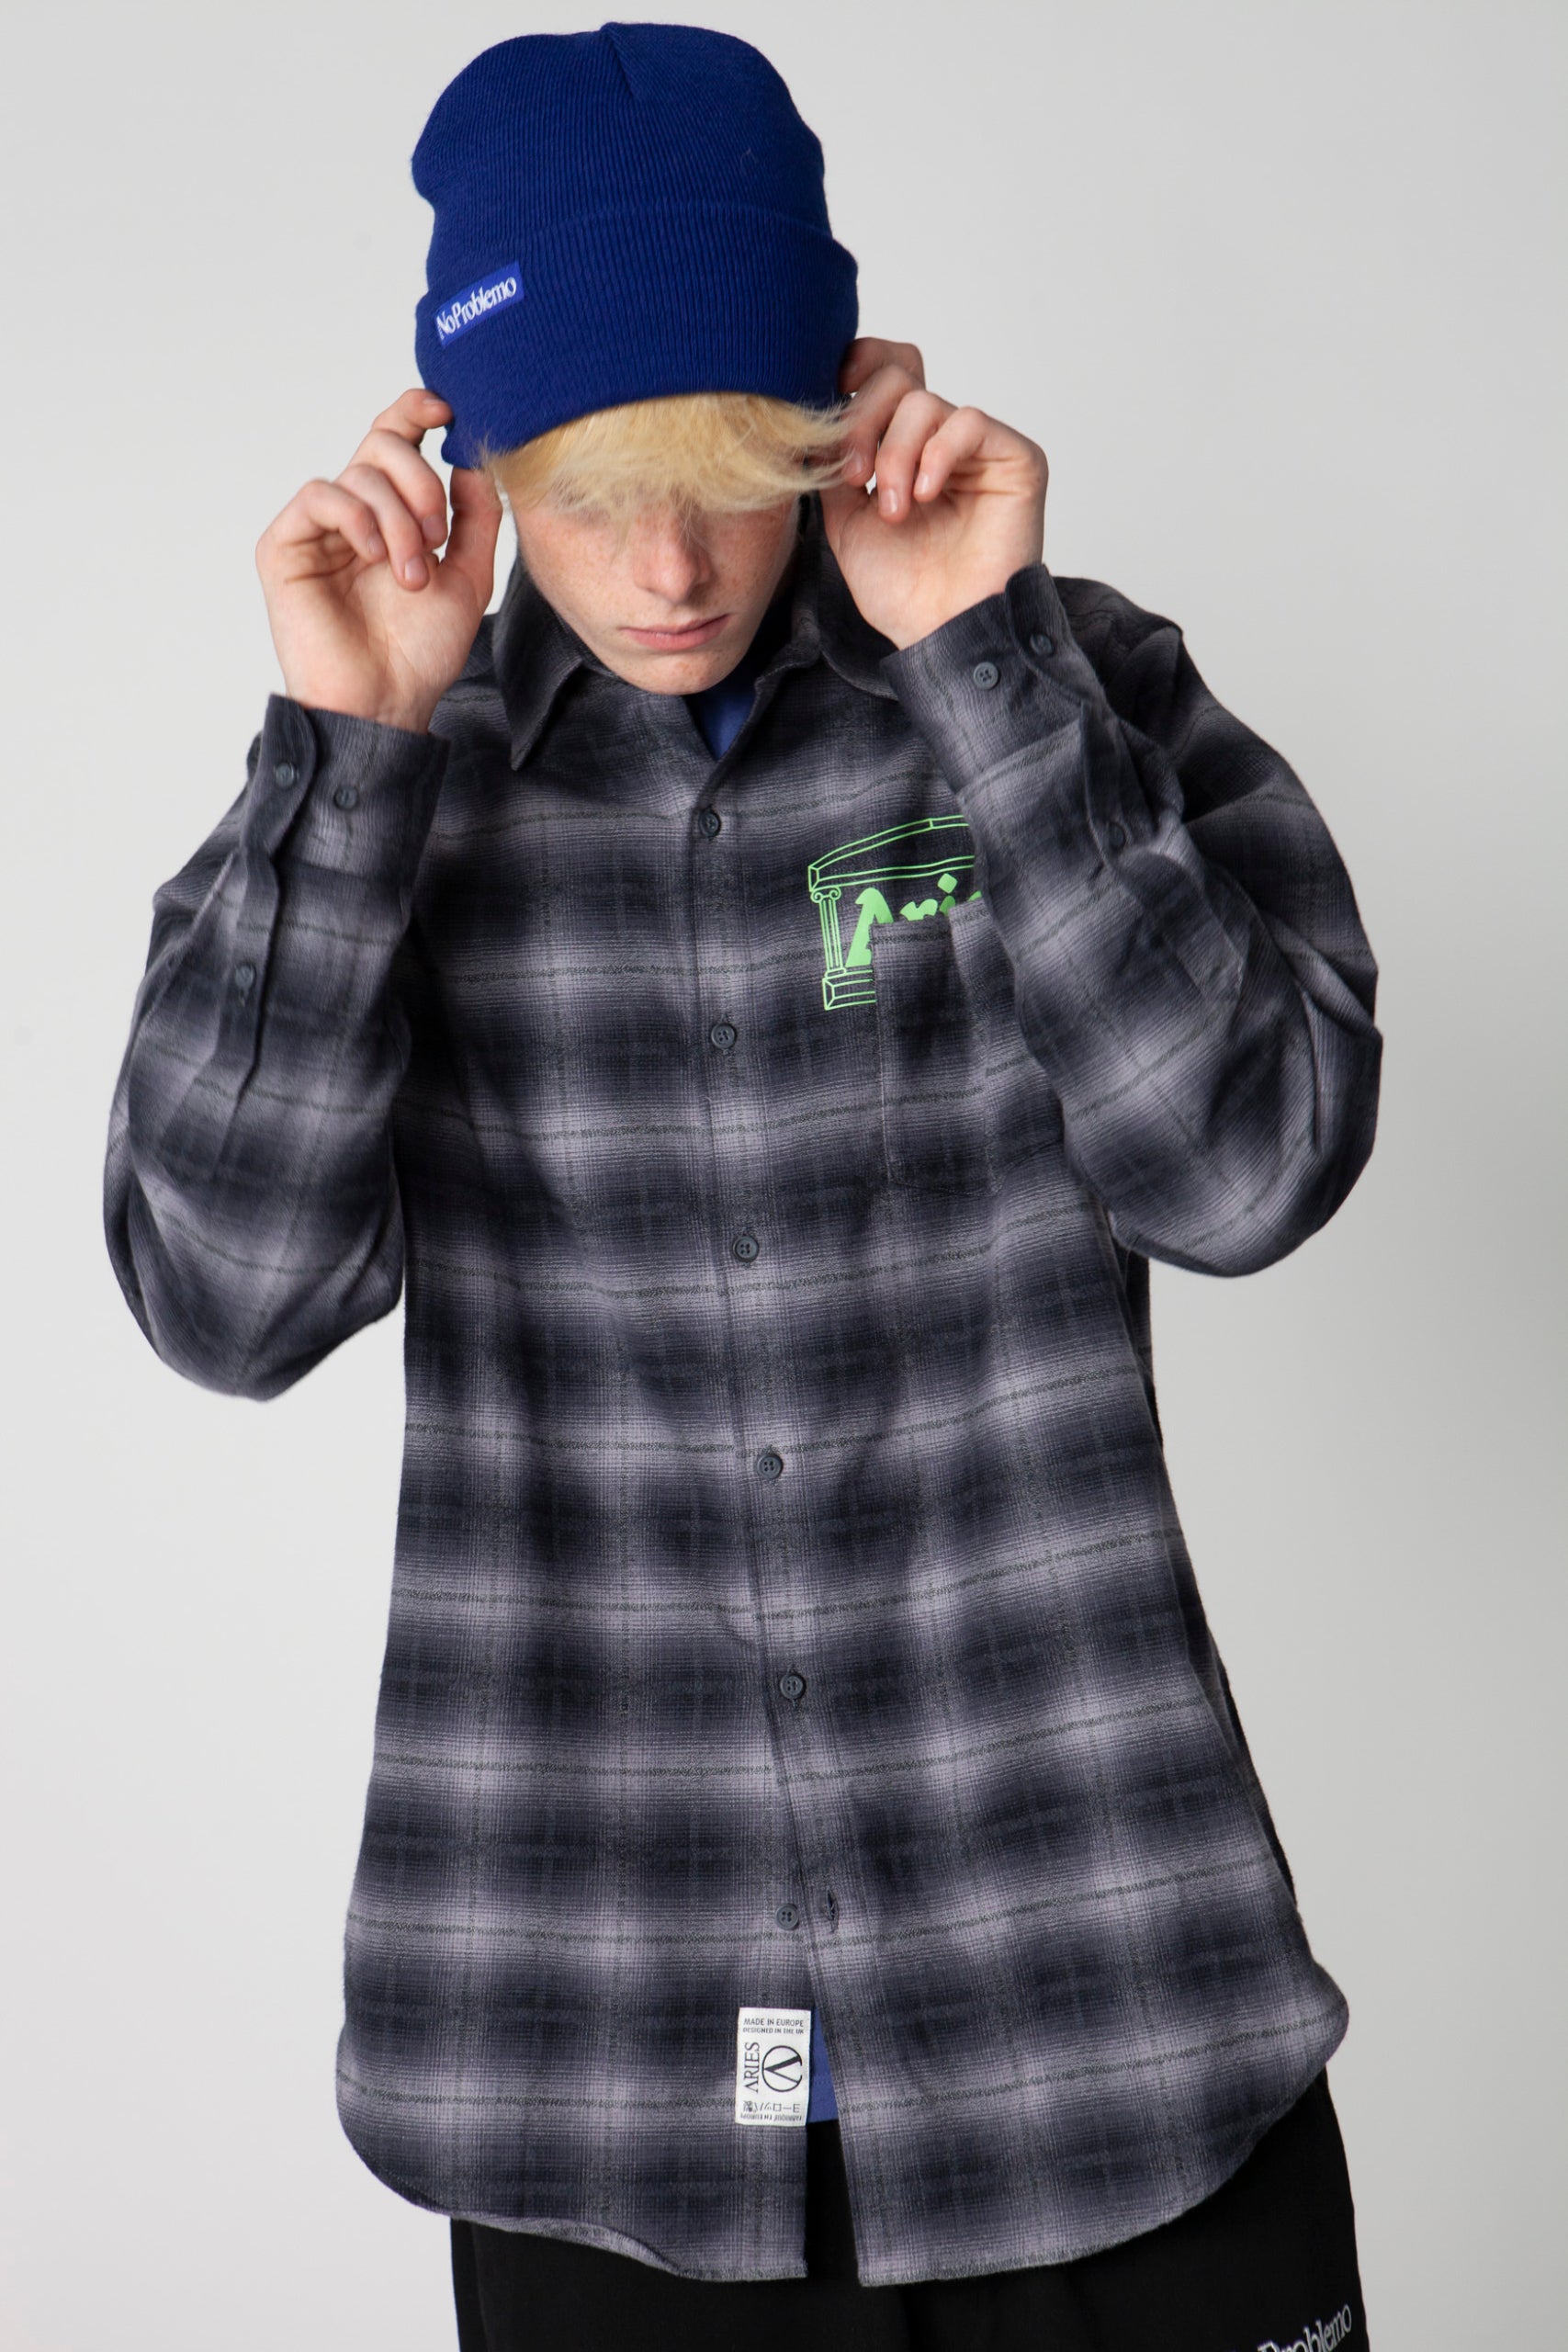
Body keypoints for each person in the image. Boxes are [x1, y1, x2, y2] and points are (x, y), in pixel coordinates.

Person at [103, 24, 1381, 2352]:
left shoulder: (1061, 687)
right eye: (593, 490)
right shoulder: (389, 783)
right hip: (600, 2079)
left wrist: (984, 664)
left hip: (1104, 2028)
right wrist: (345, 761)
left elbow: (1247, 1169)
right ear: (474, 456)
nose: (668, 563)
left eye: (725, 469)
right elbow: (223, 1298)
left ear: (829, 408)